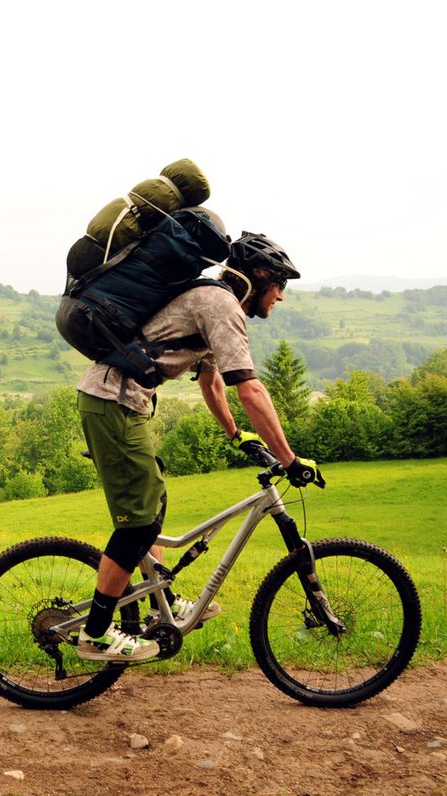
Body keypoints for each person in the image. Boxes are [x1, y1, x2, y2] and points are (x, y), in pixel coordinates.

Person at [74, 225, 324, 661]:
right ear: (261, 275)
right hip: (111, 404)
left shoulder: (213, 301)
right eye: (280, 284)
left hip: (121, 403)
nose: (281, 296)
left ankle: (159, 605)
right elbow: (250, 389)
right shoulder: (220, 304)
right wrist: (289, 458)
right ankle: (95, 634)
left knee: (155, 506)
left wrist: (236, 434)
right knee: (138, 523)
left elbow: (212, 381)